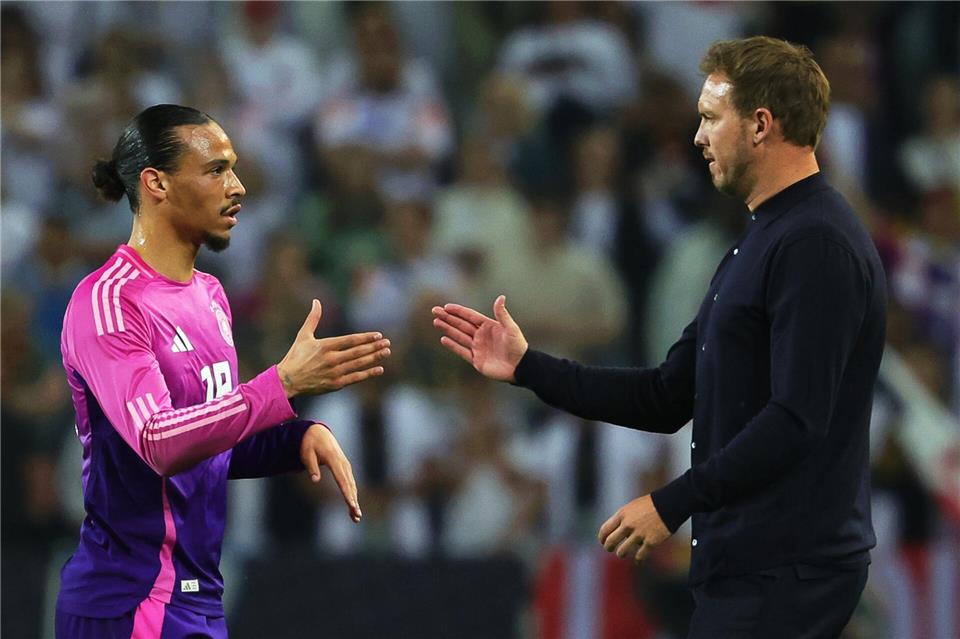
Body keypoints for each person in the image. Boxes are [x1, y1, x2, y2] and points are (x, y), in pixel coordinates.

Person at [432, 36, 887, 638]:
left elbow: (797, 418)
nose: (696, 138)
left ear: (760, 125)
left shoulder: (814, 245)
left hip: (786, 571)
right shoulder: (762, 239)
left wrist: (671, 504)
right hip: (751, 569)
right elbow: (667, 395)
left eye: (709, 119)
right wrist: (528, 366)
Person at [56, 104, 392, 638]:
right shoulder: (110, 302)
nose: (237, 186)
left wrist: (294, 439)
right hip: (130, 600)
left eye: (233, 168)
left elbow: (208, 441)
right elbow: (159, 441)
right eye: (216, 170)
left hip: (198, 599)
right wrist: (280, 385)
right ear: (156, 183)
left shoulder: (211, 296)